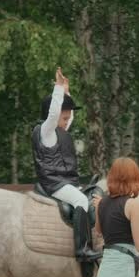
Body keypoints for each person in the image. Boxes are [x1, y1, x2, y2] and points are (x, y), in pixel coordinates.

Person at [32, 67, 99, 261]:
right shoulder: (46, 130)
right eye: (65, 117)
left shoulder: (61, 130)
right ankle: (81, 250)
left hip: (66, 181)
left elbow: (65, 116)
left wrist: (67, 92)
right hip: (53, 182)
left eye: (68, 117)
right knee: (81, 201)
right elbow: (54, 114)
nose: (67, 120)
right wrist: (59, 88)